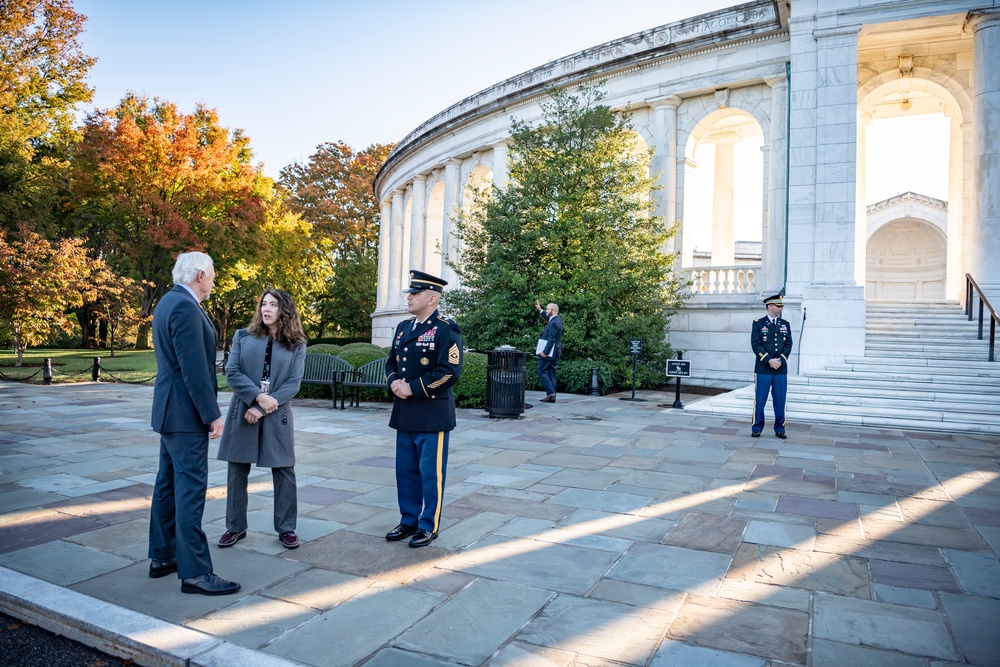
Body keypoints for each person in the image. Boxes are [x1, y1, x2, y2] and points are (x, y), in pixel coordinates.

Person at [148, 252, 240, 596]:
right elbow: (194, 369)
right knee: (189, 491)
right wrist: (212, 415)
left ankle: (163, 556)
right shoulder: (185, 307)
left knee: (168, 486)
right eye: (213, 274)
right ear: (200, 274)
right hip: (185, 416)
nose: (214, 280)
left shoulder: (168, 302)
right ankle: (195, 573)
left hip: (170, 413)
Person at [217, 289, 307, 551]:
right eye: (263, 304)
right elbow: (232, 372)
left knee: (284, 470)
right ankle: (235, 526)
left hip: (276, 414)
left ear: (285, 310)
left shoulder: (297, 344)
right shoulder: (243, 337)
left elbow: (293, 383)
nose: (266, 309)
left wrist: (265, 406)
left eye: (273, 305)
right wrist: (256, 398)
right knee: (236, 470)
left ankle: (287, 527)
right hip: (244, 410)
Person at [384, 270, 463, 548]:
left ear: (431, 298)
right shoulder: (403, 328)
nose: (409, 297)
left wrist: (413, 388)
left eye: (414, 293)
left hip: (432, 413)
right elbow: (391, 363)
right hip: (405, 413)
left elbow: (449, 372)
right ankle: (408, 520)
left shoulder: (446, 328)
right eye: (409, 292)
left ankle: (428, 525)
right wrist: (394, 383)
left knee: (430, 473)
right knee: (405, 471)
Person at [750, 293, 793, 439]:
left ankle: (780, 428)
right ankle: (757, 427)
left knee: (780, 399)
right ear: (770, 307)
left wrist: (780, 360)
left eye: (781, 306)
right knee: (760, 399)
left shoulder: (785, 324)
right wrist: (769, 360)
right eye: (778, 306)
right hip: (763, 368)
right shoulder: (758, 323)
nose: (781, 308)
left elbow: (788, 344)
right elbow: (756, 345)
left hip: (780, 369)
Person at [534, 301, 563, 403]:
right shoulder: (556, 319)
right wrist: (540, 310)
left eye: (547, 309)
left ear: (554, 311)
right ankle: (552, 396)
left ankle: (550, 393)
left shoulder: (554, 323)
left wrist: (545, 352)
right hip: (555, 352)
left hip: (549, 352)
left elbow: (551, 340)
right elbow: (548, 318)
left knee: (541, 370)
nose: (546, 310)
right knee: (551, 373)